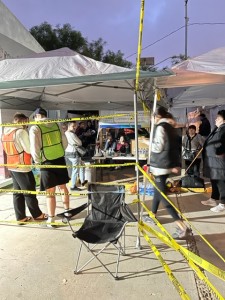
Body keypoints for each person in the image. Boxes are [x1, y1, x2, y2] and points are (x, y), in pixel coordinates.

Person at [147, 107, 189, 239]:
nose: (151, 119)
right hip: (166, 165)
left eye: (151, 117)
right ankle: (152, 215)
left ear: (157, 116)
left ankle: (182, 226)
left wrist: (146, 142)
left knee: (163, 197)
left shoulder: (161, 127)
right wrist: (174, 165)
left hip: (161, 166)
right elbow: (175, 147)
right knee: (157, 192)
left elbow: (157, 147)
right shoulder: (171, 127)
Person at [1, 113, 46, 223]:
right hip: (23, 166)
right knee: (29, 191)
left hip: (12, 165)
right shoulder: (21, 132)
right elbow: (29, 149)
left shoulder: (5, 132)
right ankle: (37, 215)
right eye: (26, 121)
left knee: (17, 193)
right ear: (22, 121)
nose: (27, 124)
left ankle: (20, 217)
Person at [29, 107, 70, 227]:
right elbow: (65, 141)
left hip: (46, 162)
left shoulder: (35, 127)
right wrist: (60, 151)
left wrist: (37, 161)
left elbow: (34, 147)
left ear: (37, 116)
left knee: (50, 191)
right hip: (60, 158)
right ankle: (67, 212)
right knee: (63, 187)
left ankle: (51, 219)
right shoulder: (56, 124)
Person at [201, 110, 225, 213]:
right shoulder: (218, 128)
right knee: (214, 181)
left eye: (218, 118)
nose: (215, 119)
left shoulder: (224, 129)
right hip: (212, 160)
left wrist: (219, 152)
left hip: (218, 161)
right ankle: (213, 199)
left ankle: (223, 204)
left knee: (221, 182)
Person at [65, 121, 88, 191]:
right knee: (75, 170)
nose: (74, 127)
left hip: (67, 153)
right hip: (74, 153)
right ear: (68, 126)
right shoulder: (72, 134)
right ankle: (73, 186)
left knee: (80, 167)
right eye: (73, 126)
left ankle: (82, 181)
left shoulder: (65, 133)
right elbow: (80, 143)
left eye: (75, 126)